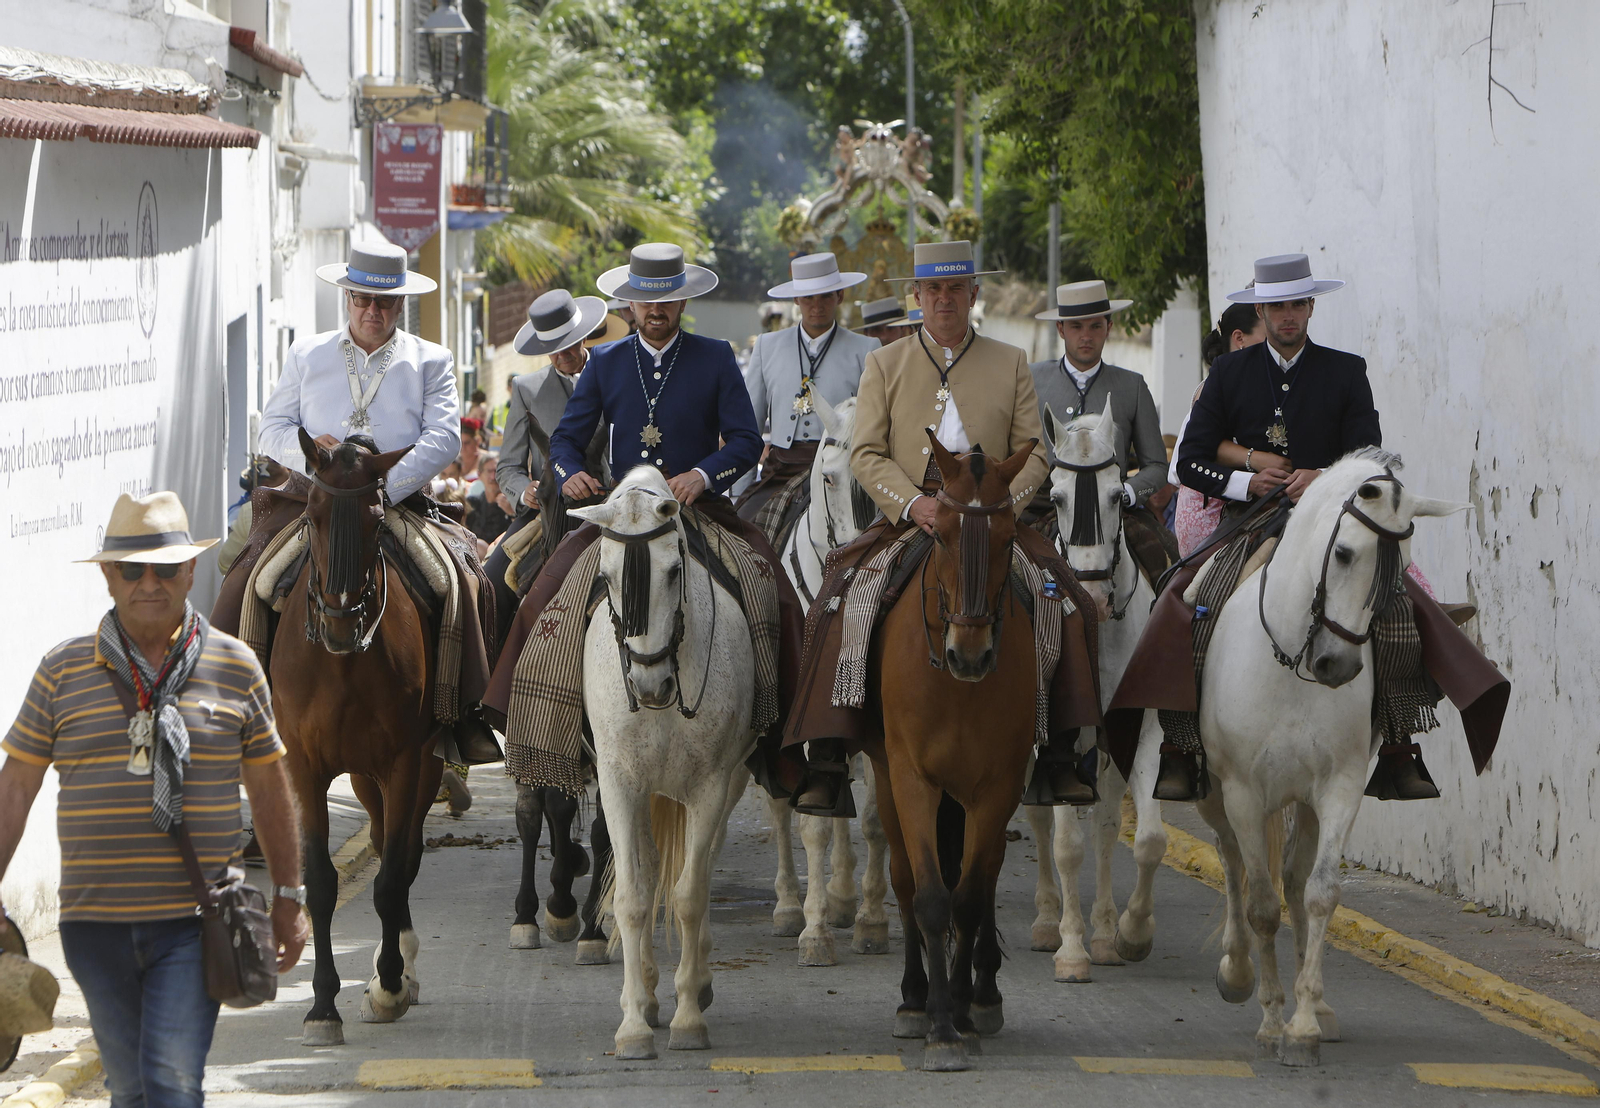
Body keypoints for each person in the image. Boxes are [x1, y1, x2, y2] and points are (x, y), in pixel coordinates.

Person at [0, 492, 307, 1108]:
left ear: (190, 572)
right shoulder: (61, 672)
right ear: (108, 576)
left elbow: (271, 788)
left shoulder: (237, 666)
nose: (149, 583)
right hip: (93, 928)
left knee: (169, 1083)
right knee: (133, 1088)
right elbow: (15, 789)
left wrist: (290, 896)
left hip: (197, 923)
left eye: (165, 568)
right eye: (132, 569)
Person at [1141, 252, 1485, 800]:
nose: (1287, 316)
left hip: (1329, 522)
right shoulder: (1228, 372)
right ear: (1262, 307)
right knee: (1188, 601)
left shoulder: (1345, 370)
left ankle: (1398, 744)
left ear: (1309, 307)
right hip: (1247, 521)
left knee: (1396, 606)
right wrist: (1246, 482)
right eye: (1276, 306)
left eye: (1297, 304)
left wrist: (1321, 478)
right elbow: (1191, 461)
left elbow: (1374, 458)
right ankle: (1179, 747)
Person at [785, 240, 1103, 813]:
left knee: (1066, 598)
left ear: (973, 296)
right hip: (918, 518)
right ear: (917, 297)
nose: (944, 300)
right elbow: (867, 453)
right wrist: (913, 505)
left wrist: (999, 506)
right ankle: (829, 751)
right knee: (839, 598)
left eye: (955, 289)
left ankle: (1060, 752)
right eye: (933, 290)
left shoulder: (1009, 361)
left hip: (991, 515)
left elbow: (1035, 452)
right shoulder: (885, 362)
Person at [483, 243, 805, 796]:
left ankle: (787, 743)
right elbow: (565, 438)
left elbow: (748, 441)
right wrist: (566, 473)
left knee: (771, 587)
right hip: (621, 511)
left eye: (667, 299)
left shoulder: (715, 355)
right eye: (644, 299)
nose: (656, 309)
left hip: (698, 509)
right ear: (628, 304)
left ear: (682, 301)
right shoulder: (606, 362)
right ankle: (531, 727)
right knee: (544, 593)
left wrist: (703, 476)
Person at [236, 240, 500, 766]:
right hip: (320, 503)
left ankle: (461, 713)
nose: (372, 311)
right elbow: (273, 429)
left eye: (385, 302)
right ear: (347, 298)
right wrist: (319, 465)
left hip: (395, 505)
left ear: (400, 305)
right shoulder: (307, 355)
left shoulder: (431, 360)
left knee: (456, 580)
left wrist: (382, 489)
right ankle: (240, 710)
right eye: (362, 299)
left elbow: (443, 438)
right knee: (253, 578)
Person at [485, 288, 612, 633]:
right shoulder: (526, 388)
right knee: (490, 587)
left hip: (612, 506)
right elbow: (508, 465)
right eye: (552, 349)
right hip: (547, 512)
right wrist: (523, 489)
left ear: (584, 336)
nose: (563, 355)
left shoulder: (615, 376)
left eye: (570, 344)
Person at [1029, 280, 1174, 578]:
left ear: (1108, 328)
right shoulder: (1031, 380)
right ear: (1061, 330)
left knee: (1168, 562)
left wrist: (1127, 493)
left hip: (1116, 511)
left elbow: (1158, 467)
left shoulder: (1132, 386)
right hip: (1045, 508)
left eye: (1095, 326)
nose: (1086, 336)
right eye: (1076, 326)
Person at [734, 252, 879, 523]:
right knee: (745, 536)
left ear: (840, 296)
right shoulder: (767, 346)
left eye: (825, 296)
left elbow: (875, 426)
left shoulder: (866, 350)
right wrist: (739, 492)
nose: (817, 305)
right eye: (809, 297)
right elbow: (749, 427)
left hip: (840, 472)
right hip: (780, 470)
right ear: (796, 300)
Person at [1168, 301, 1267, 556]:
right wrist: (1256, 461)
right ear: (1239, 339)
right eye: (1267, 337)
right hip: (1209, 509)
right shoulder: (1214, 387)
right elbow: (1192, 459)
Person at [466, 452, 511, 547]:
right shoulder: (472, 504)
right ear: (479, 474)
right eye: (489, 471)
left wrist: (512, 513)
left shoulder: (511, 504)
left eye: (496, 471)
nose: (493, 477)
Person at [458, 417, 485, 484]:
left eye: (467, 443)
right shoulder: (453, 460)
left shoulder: (486, 460)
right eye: (460, 443)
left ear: (477, 441)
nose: (463, 447)